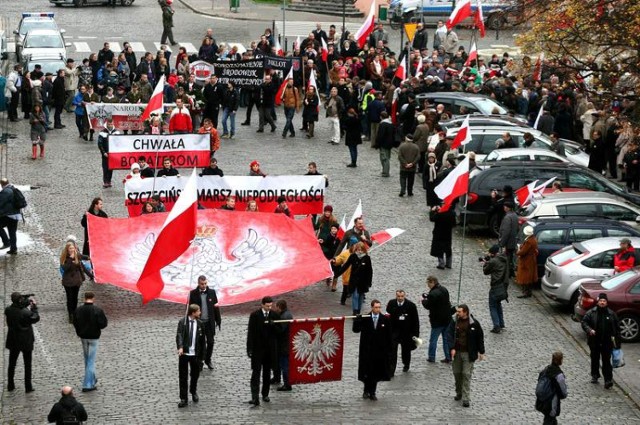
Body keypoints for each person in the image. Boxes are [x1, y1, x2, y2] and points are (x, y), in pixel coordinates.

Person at [446, 304, 485, 407]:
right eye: (457, 311)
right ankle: (459, 392)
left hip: (468, 353)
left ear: (466, 312)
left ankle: (466, 398)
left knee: (466, 374)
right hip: (457, 353)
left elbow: (479, 337)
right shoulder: (454, 322)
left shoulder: (474, 324)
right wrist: (452, 348)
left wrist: (481, 352)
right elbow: (449, 335)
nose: (457, 313)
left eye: (459, 312)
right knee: (457, 373)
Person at [353, 299, 393, 401]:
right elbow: (356, 330)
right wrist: (357, 320)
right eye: (376, 307)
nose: (378, 309)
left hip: (379, 351)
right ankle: (366, 390)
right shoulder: (366, 318)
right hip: (367, 350)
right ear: (372, 307)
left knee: (375, 372)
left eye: (379, 307)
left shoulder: (384, 319)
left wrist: (389, 350)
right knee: (367, 372)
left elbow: (389, 336)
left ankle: (372, 392)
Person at [581, 293, 621, 389]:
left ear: (606, 303)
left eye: (604, 301)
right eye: (601, 301)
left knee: (606, 361)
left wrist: (617, 343)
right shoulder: (591, 312)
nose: (602, 302)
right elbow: (584, 322)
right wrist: (589, 330)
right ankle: (595, 375)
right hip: (594, 341)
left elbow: (617, 329)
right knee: (595, 359)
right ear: (598, 302)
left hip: (607, 342)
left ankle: (608, 380)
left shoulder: (611, 314)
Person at [246, 296, 278, 406]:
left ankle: (265, 394)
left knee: (267, 373)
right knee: (256, 373)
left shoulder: (274, 315)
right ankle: (255, 397)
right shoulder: (255, 315)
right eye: (267, 306)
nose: (269, 308)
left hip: (269, 350)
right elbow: (250, 333)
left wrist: (273, 325)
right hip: (257, 349)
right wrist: (249, 348)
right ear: (262, 305)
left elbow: (279, 332)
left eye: (271, 306)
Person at [74, 292, 108, 392]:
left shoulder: (78, 310)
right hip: (94, 337)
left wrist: (79, 332)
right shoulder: (97, 310)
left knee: (87, 359)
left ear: (85, 298)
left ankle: (92, 379)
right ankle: (88, 384)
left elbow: (75, 323)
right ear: (93, 298)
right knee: (91, 361)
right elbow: (103, 324)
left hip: (83, 337)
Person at [5, 292, 39, 393]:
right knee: (27, 364)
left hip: (13, 339)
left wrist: (25, 302)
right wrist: (34, 307)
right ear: (20, 300)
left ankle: (10, 384)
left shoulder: (8, 310)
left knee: (12, 364)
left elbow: (17, 307)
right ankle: (28, 386)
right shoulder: (25, 312)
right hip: (26, 340)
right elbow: (35, 318)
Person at [188, 276, 222, 370]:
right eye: (202, 284)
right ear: (198, 283)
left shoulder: (212, 292)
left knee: (210, 342)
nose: (204, 285)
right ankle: (200, 361)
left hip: (209, 322)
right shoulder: (193, 293)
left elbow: (216, 307)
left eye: (205, 283)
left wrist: (218, 320)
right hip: (199, 323)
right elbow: (190, 309)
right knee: (200, 343)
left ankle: (208, 359)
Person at [176, 304, 206, 407]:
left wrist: (202, 357)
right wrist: (180, 347)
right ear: (193, 312)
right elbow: (179, 334)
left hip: (195, 354)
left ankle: (193, 391)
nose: (200, 313)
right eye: (198, 311)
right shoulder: (183, 322)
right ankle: (183, 398)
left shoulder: (200, 324)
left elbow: (203, 342)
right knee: (183, 376)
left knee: (195, 375)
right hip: (185, 353)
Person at [385, 290, 419, 375]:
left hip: (406, 333)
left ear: (404, 296)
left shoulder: (411, 306)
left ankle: (406, 364)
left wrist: (415, 335)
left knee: (406, 351)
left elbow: (415, 321)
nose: (400, 298)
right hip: (394, 332)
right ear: (396, 296)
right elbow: (387, 317)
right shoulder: (391, 303)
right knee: (392, 351)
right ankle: (391, 370)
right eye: (398, 296)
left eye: (402, 296)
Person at [334, 242, 373, 314]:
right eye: (358, 250)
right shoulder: (353, 256)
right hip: (354, 280)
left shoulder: (367, 258)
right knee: (355, 295)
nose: (360, 251)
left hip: (363, 281)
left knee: (361, 296)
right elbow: (345, 266)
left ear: (364, 250)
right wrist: (337, 274)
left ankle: (358, 311)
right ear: (356, 249)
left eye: (361, 250)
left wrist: (369, 282)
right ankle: (355, 312)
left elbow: (369, 271)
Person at [421, 276, 452, 363]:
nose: (428, 286)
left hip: (437, 320)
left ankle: (432, 357)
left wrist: (423, 300)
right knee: (446, 339)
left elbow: (428, 305)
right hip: (447, 318)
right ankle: (448, 356)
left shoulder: (433, 294)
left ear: (432, 282)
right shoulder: (444, 289)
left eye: (428, 283)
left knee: (433, 340)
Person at [483, 245, 509, 334]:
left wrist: (486, 262)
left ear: (493, 253)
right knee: (498, 304)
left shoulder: (493, 261)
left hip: (495, 286)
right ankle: (501, 323)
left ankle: (496, 326)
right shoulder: (504, 259)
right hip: (503, 287)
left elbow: (485, 271)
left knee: (493, 306)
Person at [537, 352, 568, 425]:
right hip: (552, 401)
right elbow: (563, 392)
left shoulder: (546, 370)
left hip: (543, 400)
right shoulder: (558, 375)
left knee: (549, 419)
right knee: (550, 419)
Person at [61, 241, 86, 323]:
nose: (72, 250)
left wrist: (91, 257)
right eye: (70, 248)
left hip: (76, 281)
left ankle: (74, 312)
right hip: (68, 281)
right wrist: (71, 259)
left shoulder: (77, 255)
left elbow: (83, 261)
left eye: (73, 248)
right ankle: (70, 314)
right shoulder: (65, 257)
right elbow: (65, 268)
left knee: (75, 298)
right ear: (67, 249)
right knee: (70, 298)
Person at [274, 299, 293, 392]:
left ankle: (287, 384)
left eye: (276, 307)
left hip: (284, 345)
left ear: (279, 307)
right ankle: (279, 379)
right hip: (285, 343)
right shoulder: (287, 314)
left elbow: (280, 330)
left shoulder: (284, 317)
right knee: (281, 363)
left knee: (284, 365)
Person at [430, 204, 456, 270]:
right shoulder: (452, 213)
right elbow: (454, 224)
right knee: (448, 248)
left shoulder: (440, 214)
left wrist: (432, 211)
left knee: (439, 248)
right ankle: (449, 264)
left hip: (439, 234)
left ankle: (441, 264)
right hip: (447, 234)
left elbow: (432, 218)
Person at [0, 179, 21, 255]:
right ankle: (13, 249)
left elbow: (0, 202)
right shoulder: (13, 189)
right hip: (16, 215)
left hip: (8, 215)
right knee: (12, 232)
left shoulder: (6, 191)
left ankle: (6, 242)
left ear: (2, 184)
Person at [516, 226, 538, 298]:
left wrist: (518, 252)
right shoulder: (533, 239)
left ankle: (525, 292)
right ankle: (528, 292)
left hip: (526, 261)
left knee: (525, 277)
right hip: (530, 260)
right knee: (529, 277)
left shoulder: (529, 241)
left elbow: (523, 251)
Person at [97, 119, 120, 188]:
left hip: (113, 154)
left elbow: (119, 143)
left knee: (111, 168)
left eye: (111, 124)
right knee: (105, 168)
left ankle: (109, 180)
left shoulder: (116, 132)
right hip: (105, 154)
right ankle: (105, 181)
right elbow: (100, 144)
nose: (110, 125)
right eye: (109, 124)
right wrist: (103, 152)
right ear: (107, 124)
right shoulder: (102, 133)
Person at [499, 202, 518, 276]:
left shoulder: (507, 217)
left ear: (508, 208)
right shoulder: (515, 215)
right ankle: (511, 271)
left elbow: (506, 231)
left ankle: (507, 273)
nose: (504, 208)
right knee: (511, 257)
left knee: (507, 257)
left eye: (505, 206)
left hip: (508, 242)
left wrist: (502, 243)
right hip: (513, 241)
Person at [376, 111, 395, 177]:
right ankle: (385, 170)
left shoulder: (383, 124)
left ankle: (386, 172)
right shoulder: (391, 123)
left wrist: (377, 143)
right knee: (387, 157)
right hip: (389, 143)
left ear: (381, 117)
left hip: (384, 144)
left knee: (384, 158)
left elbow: (380, 135)